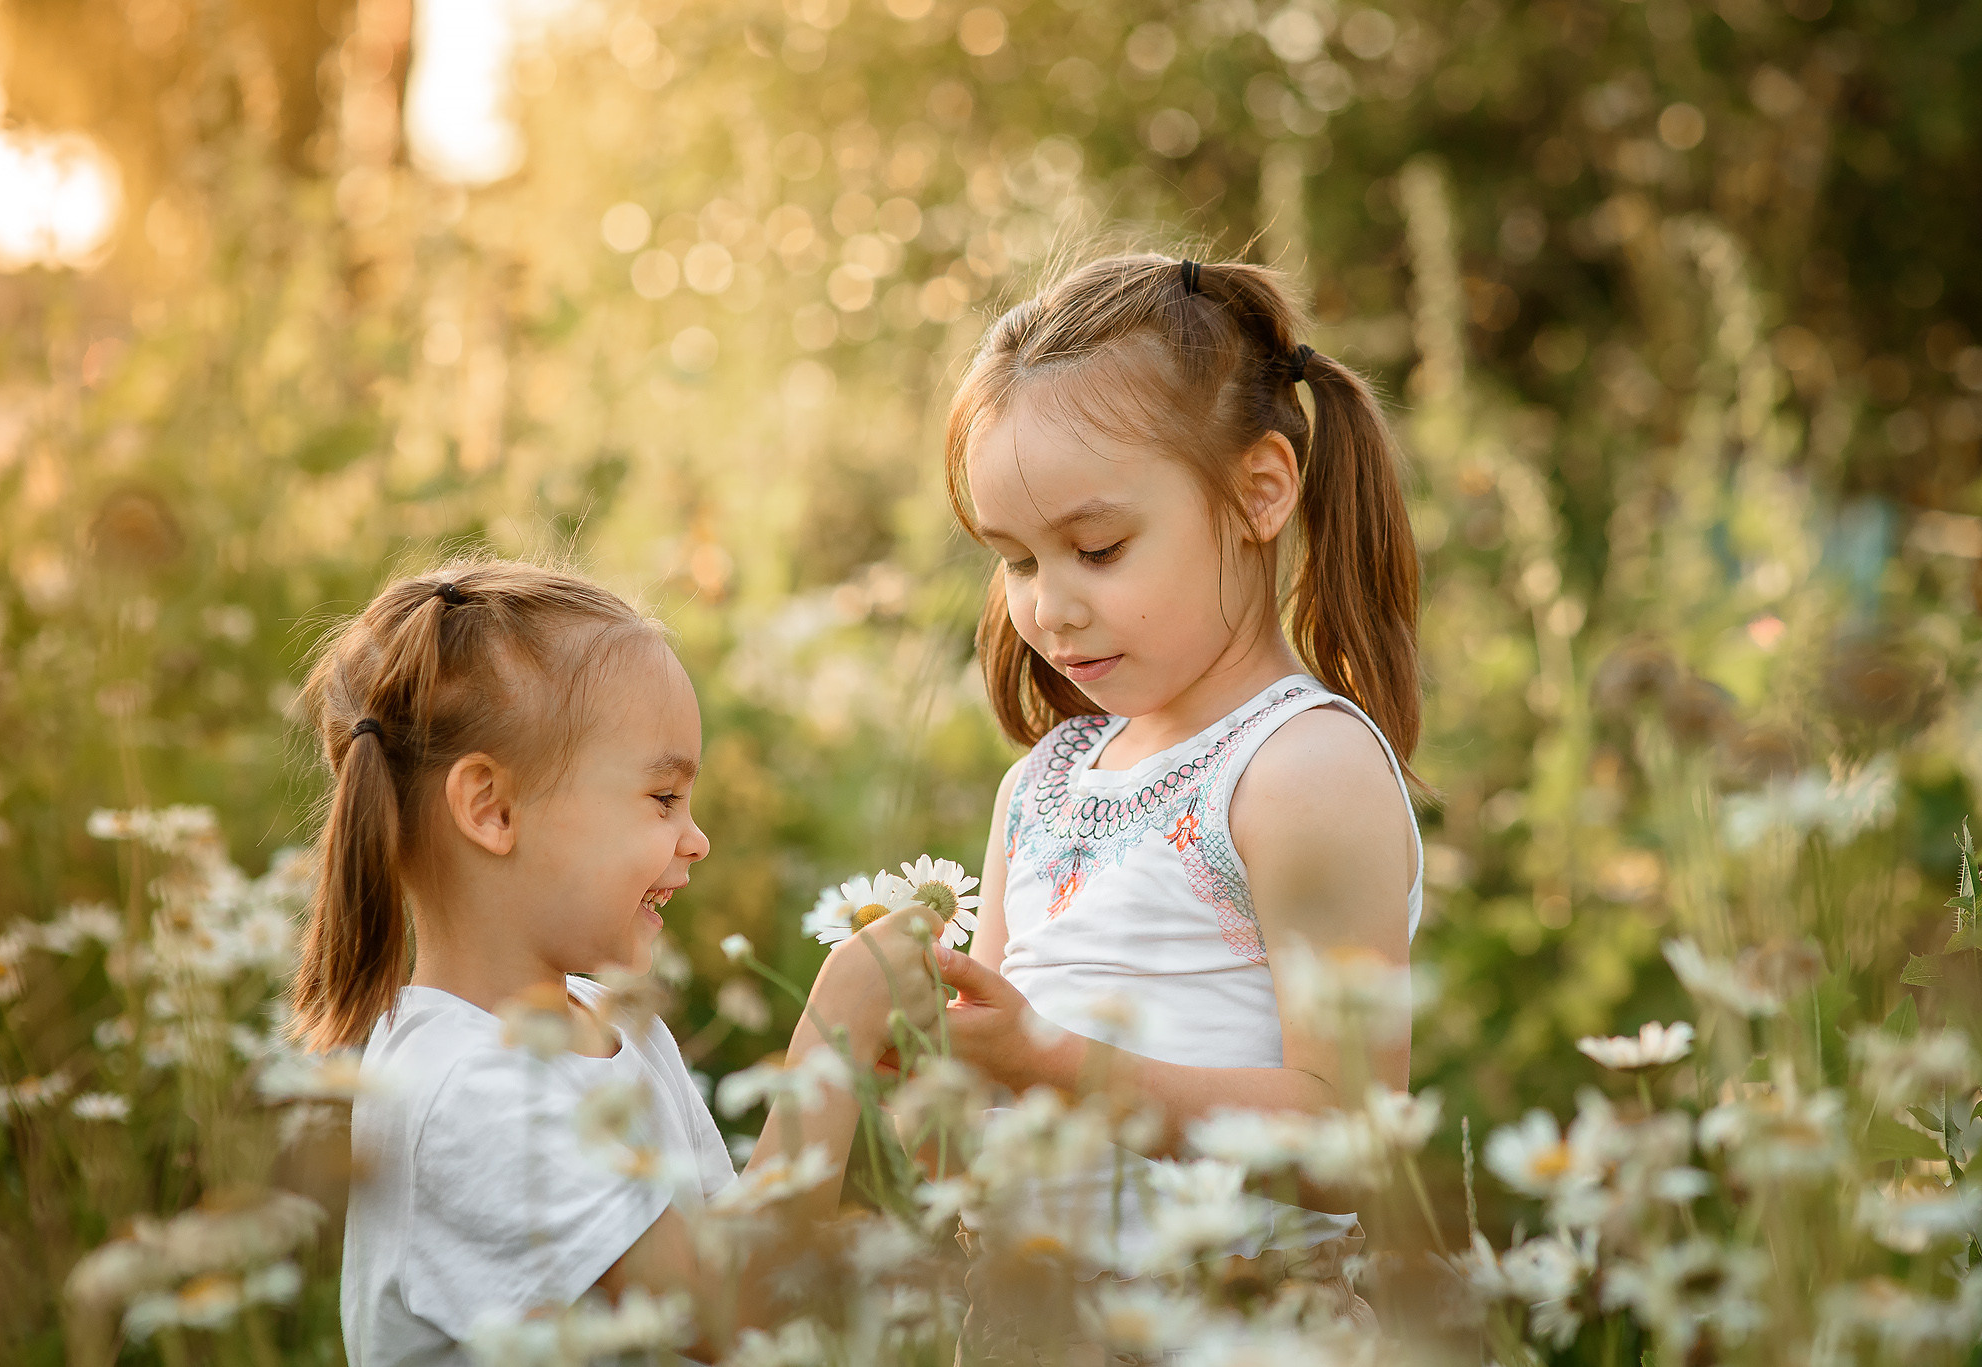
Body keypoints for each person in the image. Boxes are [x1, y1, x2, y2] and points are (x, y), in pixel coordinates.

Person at [288, 558, 938, 1367]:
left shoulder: (609, 1023)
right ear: (493, 809)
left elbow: (748, 1254)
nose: (695, 837)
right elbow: (728, 1311)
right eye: (663, 798)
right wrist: (833, 1035)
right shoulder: (472, 1088)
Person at [927, 253, 1427, 1287]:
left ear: (1257, 493)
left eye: (1096, 548)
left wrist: (1049, 1064)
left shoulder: (1298, 768)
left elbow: (1352, 1139)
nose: (1046, 607)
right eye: (1016, 558)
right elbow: (983, 1093)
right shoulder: (1040, 783)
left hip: (1237, 1311)